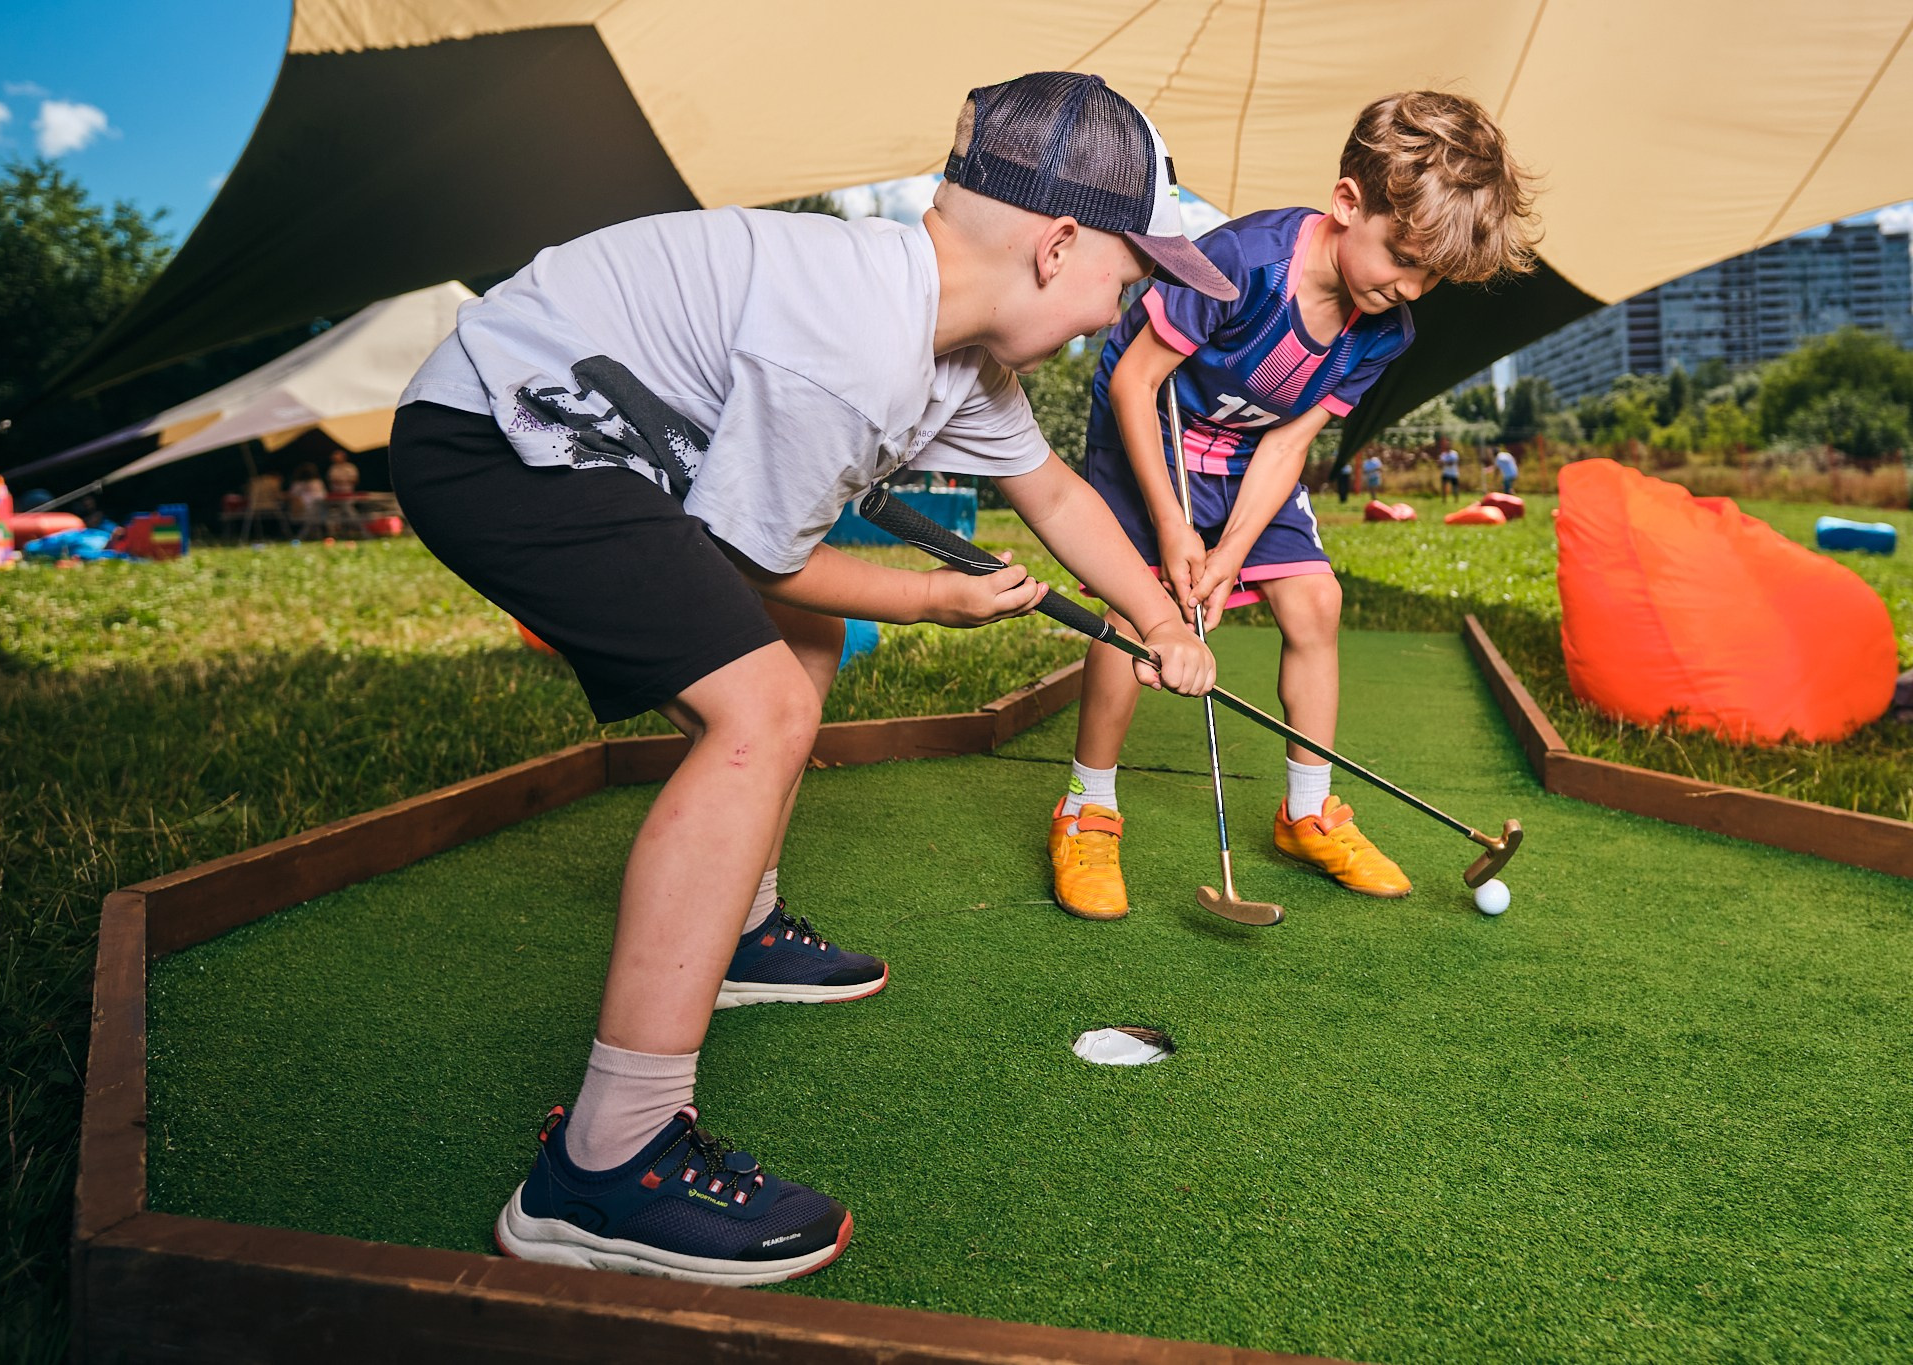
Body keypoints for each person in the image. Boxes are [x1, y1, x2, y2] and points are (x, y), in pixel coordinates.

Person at [389, 72, 1225, 1285]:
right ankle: (604, 1165)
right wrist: (936, 598)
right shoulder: (852, 344)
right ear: (1056, 245)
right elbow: (754, 560)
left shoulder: (950, 355)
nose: (1124, 307)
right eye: (1128, 273)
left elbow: (1049, 492)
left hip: (582, 436)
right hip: (501, 437)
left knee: (801, 654)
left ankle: (732, 931)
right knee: (759, 703)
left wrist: (1154, 617)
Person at [1049, 89, 1540, 921]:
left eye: (1433, 276)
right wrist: (1173, 528)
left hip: (1248, 450)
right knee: (1140, 609)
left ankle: (1307, 811)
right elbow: (1136, 382)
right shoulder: (1240, 262)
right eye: (1403, 258)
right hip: (1154, 430)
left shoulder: (1385, 328)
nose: (1413, 288)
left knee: (1316, 598)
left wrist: (1231, 551)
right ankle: (1086, 807)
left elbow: (1286, 443)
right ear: (1349, 203)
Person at [286, 463, 328, 532]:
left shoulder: (299, 484)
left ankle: (306, 532)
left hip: (308, 512)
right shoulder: (318, 482)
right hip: (318, 512)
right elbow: (324, 495)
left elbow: (292, 495)